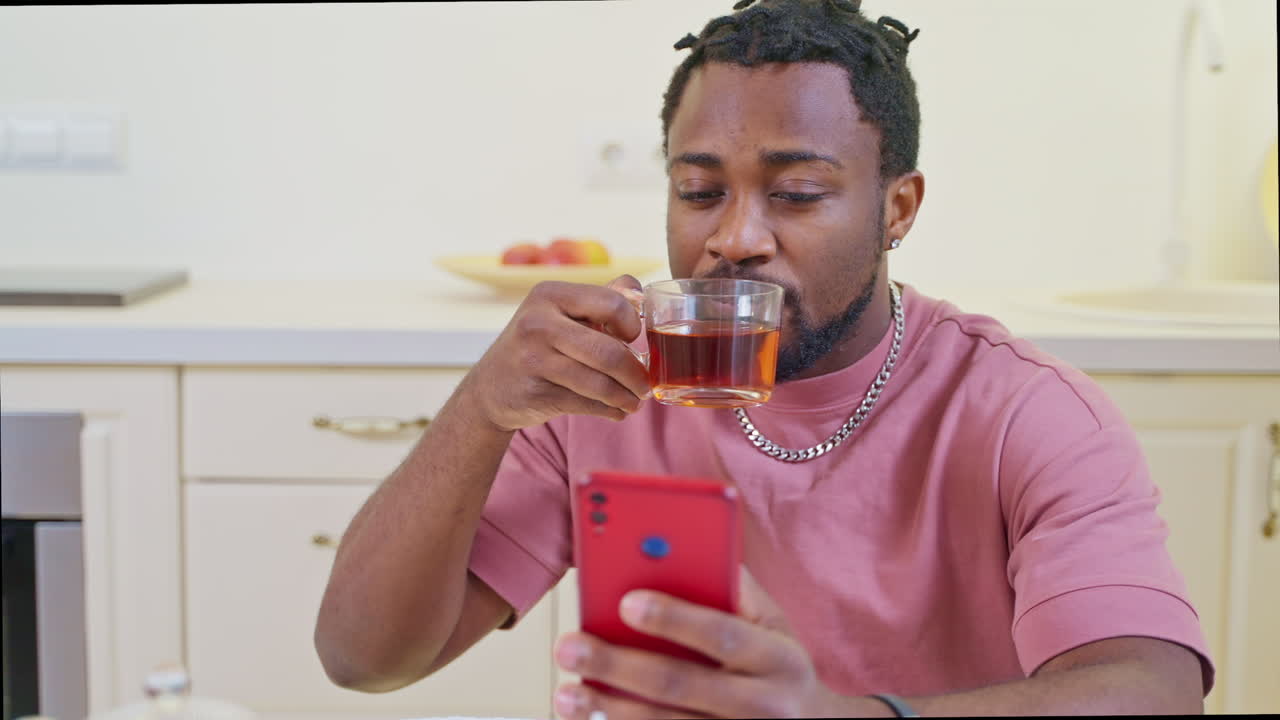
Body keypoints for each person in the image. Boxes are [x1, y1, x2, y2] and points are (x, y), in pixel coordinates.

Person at [314, 0, 1212, 716]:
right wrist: (480, 409)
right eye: (699, 191)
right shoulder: (600, 388)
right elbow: (364, 660)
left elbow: (1153, 690)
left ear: (897, 209)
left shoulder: (1028, 413)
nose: (733, 238)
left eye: (796, 193)